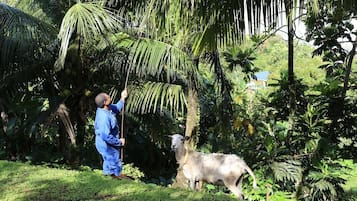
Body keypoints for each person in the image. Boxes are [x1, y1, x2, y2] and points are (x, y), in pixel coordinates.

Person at [94, 89, 128, 179]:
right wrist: (119, 142)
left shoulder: (107, 109)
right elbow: (106, 136)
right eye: (108, 97)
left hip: (108, 142)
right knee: (114, 164)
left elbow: (116, 108)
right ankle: (115, 181)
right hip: (106, 144)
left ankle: (108, 179)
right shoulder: (104, 117)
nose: (110, 97)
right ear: (105, 102)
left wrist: (122, 98)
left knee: (109, 163)